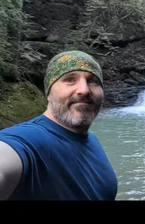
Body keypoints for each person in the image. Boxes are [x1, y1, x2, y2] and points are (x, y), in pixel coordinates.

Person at [0, 50, 118, 200]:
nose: (84, 90)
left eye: (93, 81)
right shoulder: (25, 141)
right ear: (48, 93)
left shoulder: (92, 140)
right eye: (70, 79)